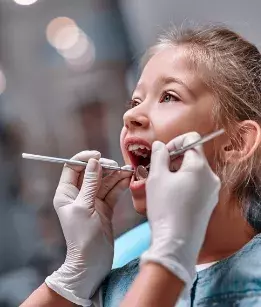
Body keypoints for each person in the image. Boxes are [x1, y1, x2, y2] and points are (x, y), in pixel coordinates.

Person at [22, 24, 261, 306]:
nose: (131, 115)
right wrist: (73, 278)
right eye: (134, 101)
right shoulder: (112, 287)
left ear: (235, 142)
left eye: (169, 96)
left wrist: (170, 253)